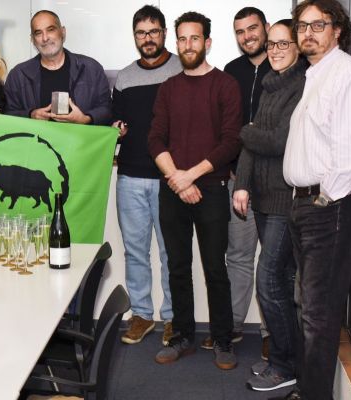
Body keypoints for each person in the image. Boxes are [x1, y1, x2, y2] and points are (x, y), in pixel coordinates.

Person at [277, 1, 351, 399]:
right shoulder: (314, 74)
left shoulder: (349, 73)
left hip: (333, 204)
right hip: (308, 203)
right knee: (309, 308)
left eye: (318, 25)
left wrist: (324, 200)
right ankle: (307, 390)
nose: (308, 33)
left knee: (318, 314)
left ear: (337, 30)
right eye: (302, 26)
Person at [147, 11, 242, 370]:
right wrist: (177, 178)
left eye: (195, 38)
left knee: (216, 269)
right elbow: (155, 139)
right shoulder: (168, 88)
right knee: (177, 267)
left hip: (213, 190)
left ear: (208, 42)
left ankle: (222, 340)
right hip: (173, 190)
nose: (188, 45)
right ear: (177, 43)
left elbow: (230, 142)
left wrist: (191, 176)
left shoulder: (225, 85)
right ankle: (182, 336)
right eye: (183, 39)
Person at [232, 19, 307, 392]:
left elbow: (279, 141)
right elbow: (252, 146)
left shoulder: (302, 85)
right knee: (282, 281)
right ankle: (285, 359)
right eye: (272, 45)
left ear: (298, 47)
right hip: (260, 197)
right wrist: (242, 185)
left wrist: (247, 131)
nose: (275, 51)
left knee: (269, 280)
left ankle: (284, 365)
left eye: (283, 44)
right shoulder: (270, 84)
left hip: (283, 200)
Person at [112, 5, 182, 347]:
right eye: (141, 33)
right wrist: (117, 128)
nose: (148, 38)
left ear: (164, 33)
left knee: (172, 252)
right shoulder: (124, 77)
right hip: (130, 176)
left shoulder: (182, 69)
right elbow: (116, 120)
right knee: (135, 251)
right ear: (135, 37)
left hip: (171, 178)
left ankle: (173, 317)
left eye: (154, 31)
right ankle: (141, 314)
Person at [203, 6, 271, 352]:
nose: (248, 36)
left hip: (278, 184)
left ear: (266, 28)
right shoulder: (231, 71)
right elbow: (225, 128)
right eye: (241, 31)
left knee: (276, 262)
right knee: (239, 257)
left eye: (253, 28)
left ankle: (273, 335)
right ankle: (230, 327)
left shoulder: (288, 67)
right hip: (237, 181)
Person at [4, 10, 112, 126]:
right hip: (36, 138)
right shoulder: (18, 75)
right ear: (32, 40)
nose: (45, 38)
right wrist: (30, 115)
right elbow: (6, 114)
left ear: (63, 32)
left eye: (50, 30)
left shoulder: (91, 69)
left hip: (80, 138)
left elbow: (108, 109)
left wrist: (86, 119)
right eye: (38, 33)